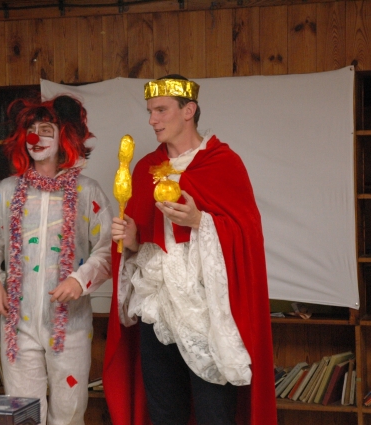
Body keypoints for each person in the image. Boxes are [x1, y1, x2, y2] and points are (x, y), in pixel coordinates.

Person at [104, 75, 277, 425]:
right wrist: (133, 240)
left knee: (215, 414)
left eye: (161, 110)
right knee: (165, 414)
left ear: (189, 110)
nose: (152, 120)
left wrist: (201, 221)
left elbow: (247, 234)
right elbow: (143, 246)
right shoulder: (145, 169)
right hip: (157, 310)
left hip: (206, 313)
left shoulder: (223, 163)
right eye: (150, 111)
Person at [0, 95, 112, 425]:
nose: (35, 137)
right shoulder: (8, 190)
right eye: (30, 130)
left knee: (69, 413)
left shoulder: (88, 191)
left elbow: (108, 250)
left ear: (65, 136)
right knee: (23, 413)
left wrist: (79, 280)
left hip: (71, 325)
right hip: (17, 324)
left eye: (46, 130)